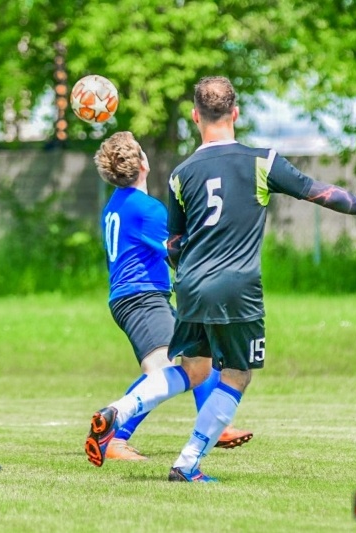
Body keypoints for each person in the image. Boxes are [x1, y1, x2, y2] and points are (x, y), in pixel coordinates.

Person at [85, 76, 356, 482]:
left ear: (196, 117)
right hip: (237, 287)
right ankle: (186, 464)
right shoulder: (262, 161)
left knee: (193, 369)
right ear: (235, 113)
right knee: (237, 373)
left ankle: (121, 410)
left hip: (191, 286)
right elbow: (319, 192)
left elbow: (175, 244)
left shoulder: (180, 174)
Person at [94, 132, 253, 461]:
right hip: (141, 298)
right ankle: (115, 435)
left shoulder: (117, 203)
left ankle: (213, 425)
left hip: (135, 296)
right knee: (170, 369)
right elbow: (178, 254)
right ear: (143, 164)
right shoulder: (146, 209)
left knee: (195, 361)